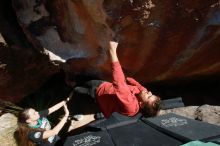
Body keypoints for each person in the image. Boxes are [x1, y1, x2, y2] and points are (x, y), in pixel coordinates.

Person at [74, 41, 161, 118]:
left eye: (149, 96)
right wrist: (130, 80)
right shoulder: (143, 92)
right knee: (84, 79)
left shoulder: (130, 107)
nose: (149, 92)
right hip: (104, 86)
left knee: (77, 89)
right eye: (151, 94)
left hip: (98, 95)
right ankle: (72, 80)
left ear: (141, 104)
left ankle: (71, 89)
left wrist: (112, 51)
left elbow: (120, 84)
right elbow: (138, 85)